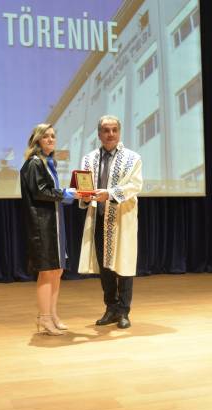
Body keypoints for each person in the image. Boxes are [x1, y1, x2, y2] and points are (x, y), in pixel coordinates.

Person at [78, 115, 143, 328]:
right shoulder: (89, 159)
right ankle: (111, 308)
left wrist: (110, 194)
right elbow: (84, 188)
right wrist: (84, 196)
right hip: (99, 219)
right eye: (106, 130)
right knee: (105, 268)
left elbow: (135, 186)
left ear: (119, 132)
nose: (110, 134)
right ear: (99, 134)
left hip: (122, 221)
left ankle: (124, 311)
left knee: (124, 264)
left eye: (114, 130)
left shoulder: (133, 158)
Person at [19, 123, 80, 335]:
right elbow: (40, 192)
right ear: (37, 140)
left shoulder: (47, 162)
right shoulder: (34, 163)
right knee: (47, 271)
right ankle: (44, 318)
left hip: (54, 222)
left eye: (53, 136)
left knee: (57, 270)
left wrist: (67, 193)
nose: (51, 139)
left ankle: (52, 314)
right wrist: (66, 193)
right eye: (46, 136)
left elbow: (49, 191)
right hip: (42, 225)